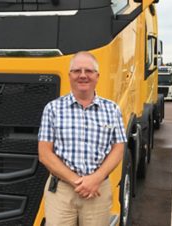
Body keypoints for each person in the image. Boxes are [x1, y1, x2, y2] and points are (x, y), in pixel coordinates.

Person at [38, 51, 127, 226]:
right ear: (70, 75)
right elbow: (44, 153)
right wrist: (77, 181)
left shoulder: (112, 110)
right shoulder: (53, 109)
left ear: (97, 76)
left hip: (98, 190)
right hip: (61, 192)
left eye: (89, 71)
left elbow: (118, 148)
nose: (83, 75)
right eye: (77, 71)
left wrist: (96, 178)